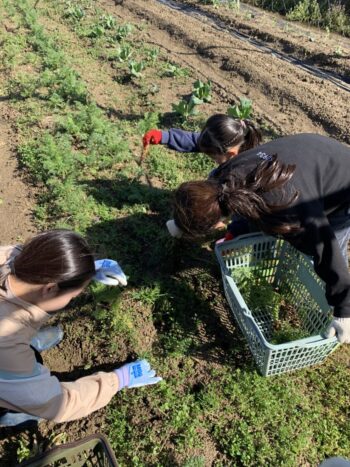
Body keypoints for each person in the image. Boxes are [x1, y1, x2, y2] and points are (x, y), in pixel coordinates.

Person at [168, 133, 350, 343]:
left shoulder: (291, 211)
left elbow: (326, 249)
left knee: (329, 244)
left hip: (341, 182)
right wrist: (183, 224)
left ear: (217, 223)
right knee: (273, 223)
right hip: (310, 154)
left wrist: (344, 308)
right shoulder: (221, 180)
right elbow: (249, 205)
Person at [0, 229, 162, 426]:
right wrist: (118, 379)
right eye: (72, 297)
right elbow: (61, 403)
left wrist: (83, 272)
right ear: (50, 288)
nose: (71, 300)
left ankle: (27, 344)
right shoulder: (5, 343)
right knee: (35, 403)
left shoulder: (11, 258)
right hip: (6, 352)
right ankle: (14, 411)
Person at [143, 114, 262, 237]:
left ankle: (218, 218)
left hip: (250, 204)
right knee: (215, 179)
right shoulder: (230, 143)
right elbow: (196, 141)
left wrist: (235, 232)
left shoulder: (247, 177)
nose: (210, 157)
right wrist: (166, 137)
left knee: (225, 195)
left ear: (231, 154)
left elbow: (250, 211)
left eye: (212, 156)